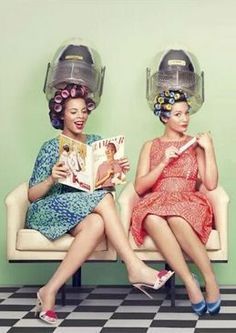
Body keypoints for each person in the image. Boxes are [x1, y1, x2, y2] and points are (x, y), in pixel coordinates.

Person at [26, 83, 174, 324]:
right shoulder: (51, 146)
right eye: (73, 111)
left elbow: (105, 188)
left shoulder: (96, 142)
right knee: (103, 201)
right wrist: (53, 177)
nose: (80, 116)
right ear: (61, 113)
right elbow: (32, 195)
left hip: (83, 208)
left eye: (84, 111)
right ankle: (134, 265)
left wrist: (115, 172)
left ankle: (48, 290)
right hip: (50, 208)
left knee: (96, 222)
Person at [131, 89, 221, 316]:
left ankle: (210, 280)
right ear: (164, 117)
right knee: (150, 216)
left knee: (176, 217)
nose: (185, 119)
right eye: (178, 114)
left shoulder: (195, 144)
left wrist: (208, 149)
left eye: (186, 113)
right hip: (157, 200)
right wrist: (162, 162)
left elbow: (210, 184)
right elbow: (140, 187)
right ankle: (189, 282)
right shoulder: (150, 146)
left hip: (188, 200)